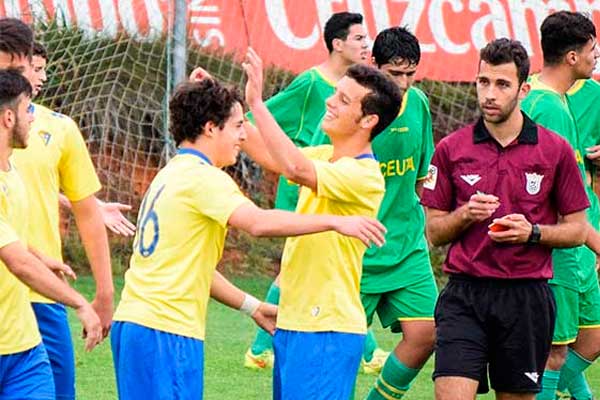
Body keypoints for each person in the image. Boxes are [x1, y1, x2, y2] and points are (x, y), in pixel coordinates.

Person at [111, 77, 387, 400]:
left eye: (342, 98)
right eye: (238, 126)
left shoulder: (171, 173)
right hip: (165, 331)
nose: (243, 135)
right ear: (211, 128)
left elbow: (195, 267)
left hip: (140, 324)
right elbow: (258, 221)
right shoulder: (205, 179)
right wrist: (336, 223)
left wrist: (252, 306)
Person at [421, 38, 590, 400]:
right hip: (464, 294)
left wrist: (533, 233)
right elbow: (434, 232)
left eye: (502, 84)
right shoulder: (451, 148)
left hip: (526, 298)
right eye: (483, 82)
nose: (489, 94)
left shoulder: (554, 150)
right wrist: (465, 214)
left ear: (523, 89)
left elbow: (577, 229)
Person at [230, 11, 390, 372]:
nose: (330, 103)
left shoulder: (363, 172)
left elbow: (295, 168)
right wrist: (221, 102)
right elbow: (270, 154)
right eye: (335, 95)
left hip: (328, 328)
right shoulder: (324, 155)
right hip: (299, 322)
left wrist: (256, 104)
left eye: (343, 101)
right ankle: (262, 348)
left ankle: (369, 350)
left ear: (368, 121)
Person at [0, 17, 113, 400]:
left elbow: (85, 211)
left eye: (22, 68)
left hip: (40, 295)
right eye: (8, 69)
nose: (17, 77)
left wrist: (104, 292)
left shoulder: (50, 127)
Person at [519, 11, 600, 399]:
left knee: (591, 337)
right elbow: (553, 192)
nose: (595, 56)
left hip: (577, 247)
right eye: (591, 49)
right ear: (571, 57)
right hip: (561, 250)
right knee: (554, 353)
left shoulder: (555, 98)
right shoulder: (546, 106)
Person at [361, 26, 437, 399]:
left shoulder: (418, 104)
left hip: (406, 247)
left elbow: (422, 179)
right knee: (335, 353)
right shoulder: (349, 107)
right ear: (373, 66)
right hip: (355, 249)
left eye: (410, 74)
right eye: (395, 74)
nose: (404, 83)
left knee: (427, 335)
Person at [31, 40, 136, 236]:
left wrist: (93, 206)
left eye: (43, 69)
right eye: (36, 69)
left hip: (37, 253)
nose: (44, 77)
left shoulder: (57, 125)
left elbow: (32, 184)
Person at [564, 78, 600, 399]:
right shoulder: (539, 100)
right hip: (559, 236)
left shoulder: (596, 97)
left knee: (590, 336)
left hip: (589, 223)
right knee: (558, 342)